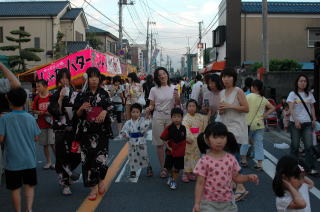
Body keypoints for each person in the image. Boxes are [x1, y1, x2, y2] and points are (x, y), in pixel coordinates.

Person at [192, 122, 259, 212]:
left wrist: (248, 177)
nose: (219, 141)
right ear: (207, 139)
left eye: (222, 137)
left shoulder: (231, 159)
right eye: (215, 137)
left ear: (227, 138)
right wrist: (197, 203)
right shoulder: (204, 161)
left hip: (228, 202)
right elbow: (200, 183)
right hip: (208, 203)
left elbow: (236, 178)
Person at [74, 67, 112, 201]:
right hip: (86, 132)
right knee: (88, 160)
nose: (94, 80)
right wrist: (80, 109)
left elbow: (110, 109)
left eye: (96, 77)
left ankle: (101, 180)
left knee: (101, 158)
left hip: (101, 132)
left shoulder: (105, 94)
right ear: (87, 79)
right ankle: (92, 188)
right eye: (91, 77)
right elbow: (76, 115)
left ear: (99, 79)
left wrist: (105, 112)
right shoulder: (81, 95)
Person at [0, 87, 41, 212]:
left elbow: (1, 139)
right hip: (29, 159)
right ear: (25, 102)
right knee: (29, 186)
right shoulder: (30, 118)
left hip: (13, 162)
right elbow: (36, 137)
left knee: (15, 189)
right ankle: (29, 209)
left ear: (10, 102)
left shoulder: (4, 119)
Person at [48, 68, 81, 195]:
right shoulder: (55, 94)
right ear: (58, 80)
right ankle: (66, 183)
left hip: (73, 128)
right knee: (62, 155)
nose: (64, 80)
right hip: (60, 129)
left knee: (76, 155)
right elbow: (54, 111)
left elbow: (78, 112)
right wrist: (60, 98)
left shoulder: (74, 93)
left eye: (66, 77)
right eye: (62, 78)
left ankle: (68, 173)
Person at [219, 68, 249, 201]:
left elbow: (246, 108)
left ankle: (241, 187)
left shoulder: (239, 91)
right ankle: (233, 182)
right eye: (224, 77)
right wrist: (221, 110)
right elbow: (222, 112)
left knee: (233, 158)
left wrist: (229, 106)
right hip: (226, 126)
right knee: (228, 157)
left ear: (234, 78)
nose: (225, 79)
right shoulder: (221, 93)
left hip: (236, 128)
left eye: (228, 77)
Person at [147, 67, 180, 178]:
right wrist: (149, 108)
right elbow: (152, 104)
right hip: (158, 118)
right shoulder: (153, 90)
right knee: (160, 144)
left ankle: (170, 166)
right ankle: (163, 168)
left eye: (164, 73)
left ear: (167, 75)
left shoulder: (174, 88)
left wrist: (177, 97)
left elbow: (177, 103)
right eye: (159, 75)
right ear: (157, 78)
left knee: (171, 144)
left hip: (171, 118)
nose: (162, 76)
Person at [286, 74, 319, 176]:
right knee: (295, 146)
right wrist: (296, 121)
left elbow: (312, 107)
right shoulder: (292, 94)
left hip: (307, 123)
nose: (303, 83)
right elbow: (291, 108)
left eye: (305, 81)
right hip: (295, 123)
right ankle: (293, 168)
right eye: (301, 81)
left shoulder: (309, 94)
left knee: (309, 146)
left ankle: (309, 168)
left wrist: (314, 119)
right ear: (297, 82)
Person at [239, 80, 275, 170]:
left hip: (248, 124)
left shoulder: (248, 96)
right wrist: (264, 115)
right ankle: (259, 164)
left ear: (254, 87)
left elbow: (242, 108)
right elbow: (272, 108)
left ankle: (244, 160)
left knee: (245, 142)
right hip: (260, 124)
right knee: (259, 143)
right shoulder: (263, 99)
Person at [120, 103, 153, 178]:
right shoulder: (128, 122)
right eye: (133, 112)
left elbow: (144, 127)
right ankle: (133, 170)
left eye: (137, 112)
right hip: (132, 142)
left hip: (141, 141)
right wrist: (124, 133)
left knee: (144, 155)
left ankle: (148, 167)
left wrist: (147, 117)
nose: (135, 114)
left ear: (140, 113)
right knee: (132, 156)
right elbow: (124, 130)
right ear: (130, 112)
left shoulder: (142, 120)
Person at [160, 107, 186, 190]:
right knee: (169, 167)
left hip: (180, 152)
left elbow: (183, 139)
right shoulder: (169, 128)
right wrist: (168, 147)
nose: (176, 119)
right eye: (174, 117)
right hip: (170, 151)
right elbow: (163, 138)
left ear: (182, 118)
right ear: (171, 118)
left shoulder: (183, 128)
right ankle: (171, 177)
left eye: (179, 117)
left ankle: (174, 180)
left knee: (177, 168)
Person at [182, 99, 207, 182]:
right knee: (187, 157)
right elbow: (185, 129)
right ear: (186, 108)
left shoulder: (199, 116)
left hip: (197, 140)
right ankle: (185, 173)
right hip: (189, 140)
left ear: (196, 107)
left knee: (196, 157)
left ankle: (192, 172)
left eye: (193, 106)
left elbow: (204, 124)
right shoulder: (186, 118)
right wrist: (188, 137)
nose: (192, 108)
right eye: (189, 106)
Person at [33, 79, 55, 170]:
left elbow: (55, 110)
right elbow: (33, 110)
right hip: (41, 124)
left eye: (39, 86)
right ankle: (49, 162)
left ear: (45, 86)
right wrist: (40, 112)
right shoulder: (37, 98)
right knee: (45, 144)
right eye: (37, 86)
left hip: (51, 124)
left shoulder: (52, 97)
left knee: (53, 144)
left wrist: (49, 113)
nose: (37, 88)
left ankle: (59, 162)